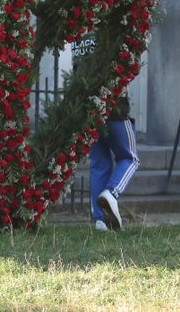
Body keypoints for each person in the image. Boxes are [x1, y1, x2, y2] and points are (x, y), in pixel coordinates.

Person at [72, 34, 140, 232]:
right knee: (130, 158)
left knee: (99, 163)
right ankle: (111, 193)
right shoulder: (112, 27)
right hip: (114, 106)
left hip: (86, 105)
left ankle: (100, 220)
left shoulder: (80, 30)